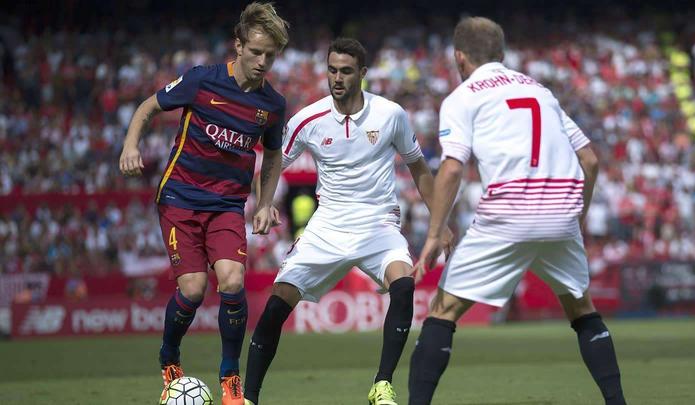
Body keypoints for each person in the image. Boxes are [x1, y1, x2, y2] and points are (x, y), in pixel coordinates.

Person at [408, 17, 626, 405]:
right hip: (561, 212)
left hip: (508, 214)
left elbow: (453, 168)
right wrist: (578, 217)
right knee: (582, 310)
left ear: (459, 57)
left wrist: (434, 234)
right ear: (501, 53)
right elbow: (590, 160)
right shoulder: (540, 90)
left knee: (442, 311)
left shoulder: (463, 96)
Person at [241, 37, 452, 405]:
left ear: (363, 73)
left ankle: (382, 385)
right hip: (327, 226)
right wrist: (264, 202)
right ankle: (249, 398)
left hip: (378, 224)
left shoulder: (391, 114)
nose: (337, 78)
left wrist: (441, 221)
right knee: (277, 304)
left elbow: (418, 167)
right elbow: (274, 163)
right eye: (332, 70)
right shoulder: (308, 119)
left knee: (404, 285)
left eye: (346, 71)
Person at [118, 3, 289, 404]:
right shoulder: (201, 80)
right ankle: (169, 358)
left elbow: (273, 155)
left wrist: (264, 203)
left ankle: (230, 379)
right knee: (193, 290)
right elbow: (147, 107)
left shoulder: (272, 105)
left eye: (270, 56)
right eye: (256, 52)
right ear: (238, 45)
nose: (262, 62)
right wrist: (130, 145)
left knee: (232, 280)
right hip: (180, 197)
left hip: (227, 204)